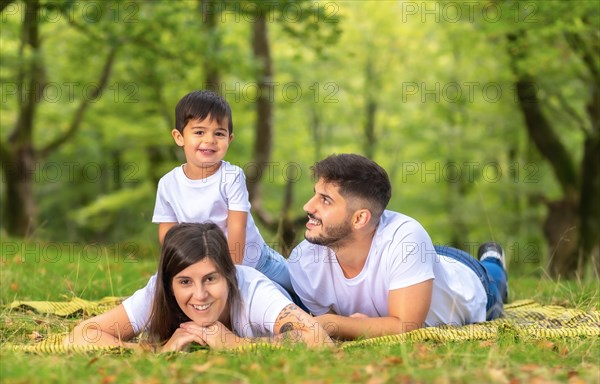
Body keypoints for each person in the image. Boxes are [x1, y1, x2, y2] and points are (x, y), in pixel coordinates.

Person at [287, 153, 508, 340]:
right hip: (414, 262)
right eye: (315, 193)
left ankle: (493, 257)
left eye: (325, 200)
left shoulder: (407, 238)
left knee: (494, 276)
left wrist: (331, 322)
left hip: (467, 277)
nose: (308, 206)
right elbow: (342, 332)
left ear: (359, 219)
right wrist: (345, 325)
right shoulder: (304, 261)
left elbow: (406, 328)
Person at [65, 223, 332, 351]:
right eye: (184, 282)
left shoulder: (253, 290)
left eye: (210, 279)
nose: (200, 294)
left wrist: (234, 344)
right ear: (169, 285)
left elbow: (317, 338)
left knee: (327, 319)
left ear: (229, 276)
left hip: (299, 300)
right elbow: (83, 334)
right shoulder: (157, 291)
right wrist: (157, 350)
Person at [153, 90, 292, 293]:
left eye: (219, 133)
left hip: (258, 259)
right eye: (199, 132)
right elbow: (167, 231)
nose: (210, 140)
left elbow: (237, 227)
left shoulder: (231, 176)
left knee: (301, 285)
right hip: (209, 268)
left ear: (230, 138)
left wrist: (231, 272)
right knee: (275, 298)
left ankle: (334, 309)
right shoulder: (168, 183)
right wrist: (179, 264)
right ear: (179, 137)